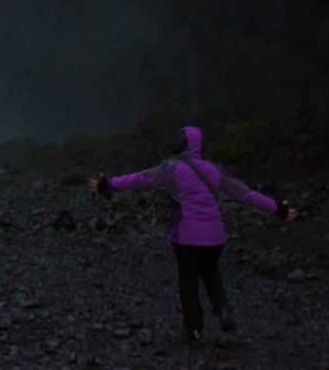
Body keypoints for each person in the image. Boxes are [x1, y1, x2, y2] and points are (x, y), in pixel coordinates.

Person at [89, 126, 295, 344]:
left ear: (178, 145)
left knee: (188, 279)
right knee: (210, 271)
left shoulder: (171, 169)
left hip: (186, 234)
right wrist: (277, 209)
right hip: (215, 235)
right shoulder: (215, 171)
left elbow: (141, 179)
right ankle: (222, 306)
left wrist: (109, 184)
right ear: (202, 146)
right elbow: (246, 195)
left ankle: (194, 330)